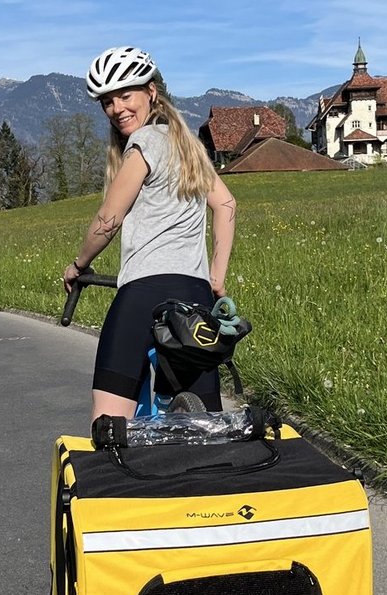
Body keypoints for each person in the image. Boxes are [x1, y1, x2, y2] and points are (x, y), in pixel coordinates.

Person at [63, 46, 237, 421]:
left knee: (109, 422)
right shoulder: (189, 147)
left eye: (126, 96)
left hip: (144, 294)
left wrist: (78, 265)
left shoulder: (144, 143)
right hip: (195, 299)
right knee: (204, 430)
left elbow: (108, 220)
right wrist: (216, 280)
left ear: (151, 92)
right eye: (107, 102)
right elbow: (226, 205)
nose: (117, 108)